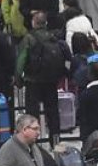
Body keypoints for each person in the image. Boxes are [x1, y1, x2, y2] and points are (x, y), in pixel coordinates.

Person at [19, 12, 70, 145]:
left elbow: (21, 59)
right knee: (53, 112)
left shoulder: (29, 38)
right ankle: (55, 141)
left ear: (33, 23)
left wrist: (18, 77)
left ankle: (32, 142)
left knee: (32, 114)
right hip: (51, 80)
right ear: (45, 23)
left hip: (33, 80)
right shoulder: (53, 37)